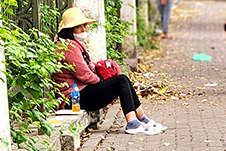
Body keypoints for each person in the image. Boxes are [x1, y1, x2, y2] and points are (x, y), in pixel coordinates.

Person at [52, 7, 166, 135]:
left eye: (85, 26)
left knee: (123, 79)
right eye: (79, 27)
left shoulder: (74, 44)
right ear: (70, 30)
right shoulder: (69, 48)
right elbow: (84, 75)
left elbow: (89, 68)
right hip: (73, 99)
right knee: (120, 81)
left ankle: (142, 119)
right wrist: (102, 81)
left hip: (81, 93)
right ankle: (132, 123)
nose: (84, 30)